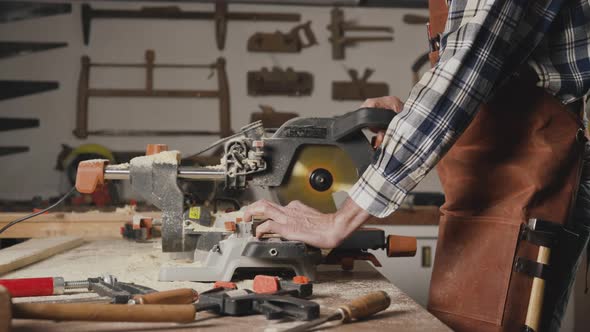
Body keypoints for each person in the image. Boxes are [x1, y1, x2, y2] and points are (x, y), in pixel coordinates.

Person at [244, 0, 590, 331]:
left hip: (533, 182)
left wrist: (339, 221)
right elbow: (492, 76)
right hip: (492, 187)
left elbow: (463, 74)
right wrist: (410, 112)